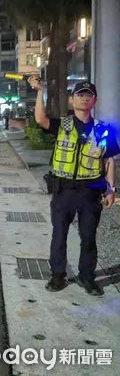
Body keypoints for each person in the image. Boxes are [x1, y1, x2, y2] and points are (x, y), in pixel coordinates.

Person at [29, 77, 118, 296]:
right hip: (64, 191)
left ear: (94, 101)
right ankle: (58, 275)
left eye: (89, 95)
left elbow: (109, 161)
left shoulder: (102, 129)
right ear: (72, 99)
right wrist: (41, 91)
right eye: (80, 94)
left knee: (88, 237)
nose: (84, 98)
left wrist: (111, 190)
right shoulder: (63, 124)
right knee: (59, 234)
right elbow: (40, 119)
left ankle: (86, 277)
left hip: (90, 192)